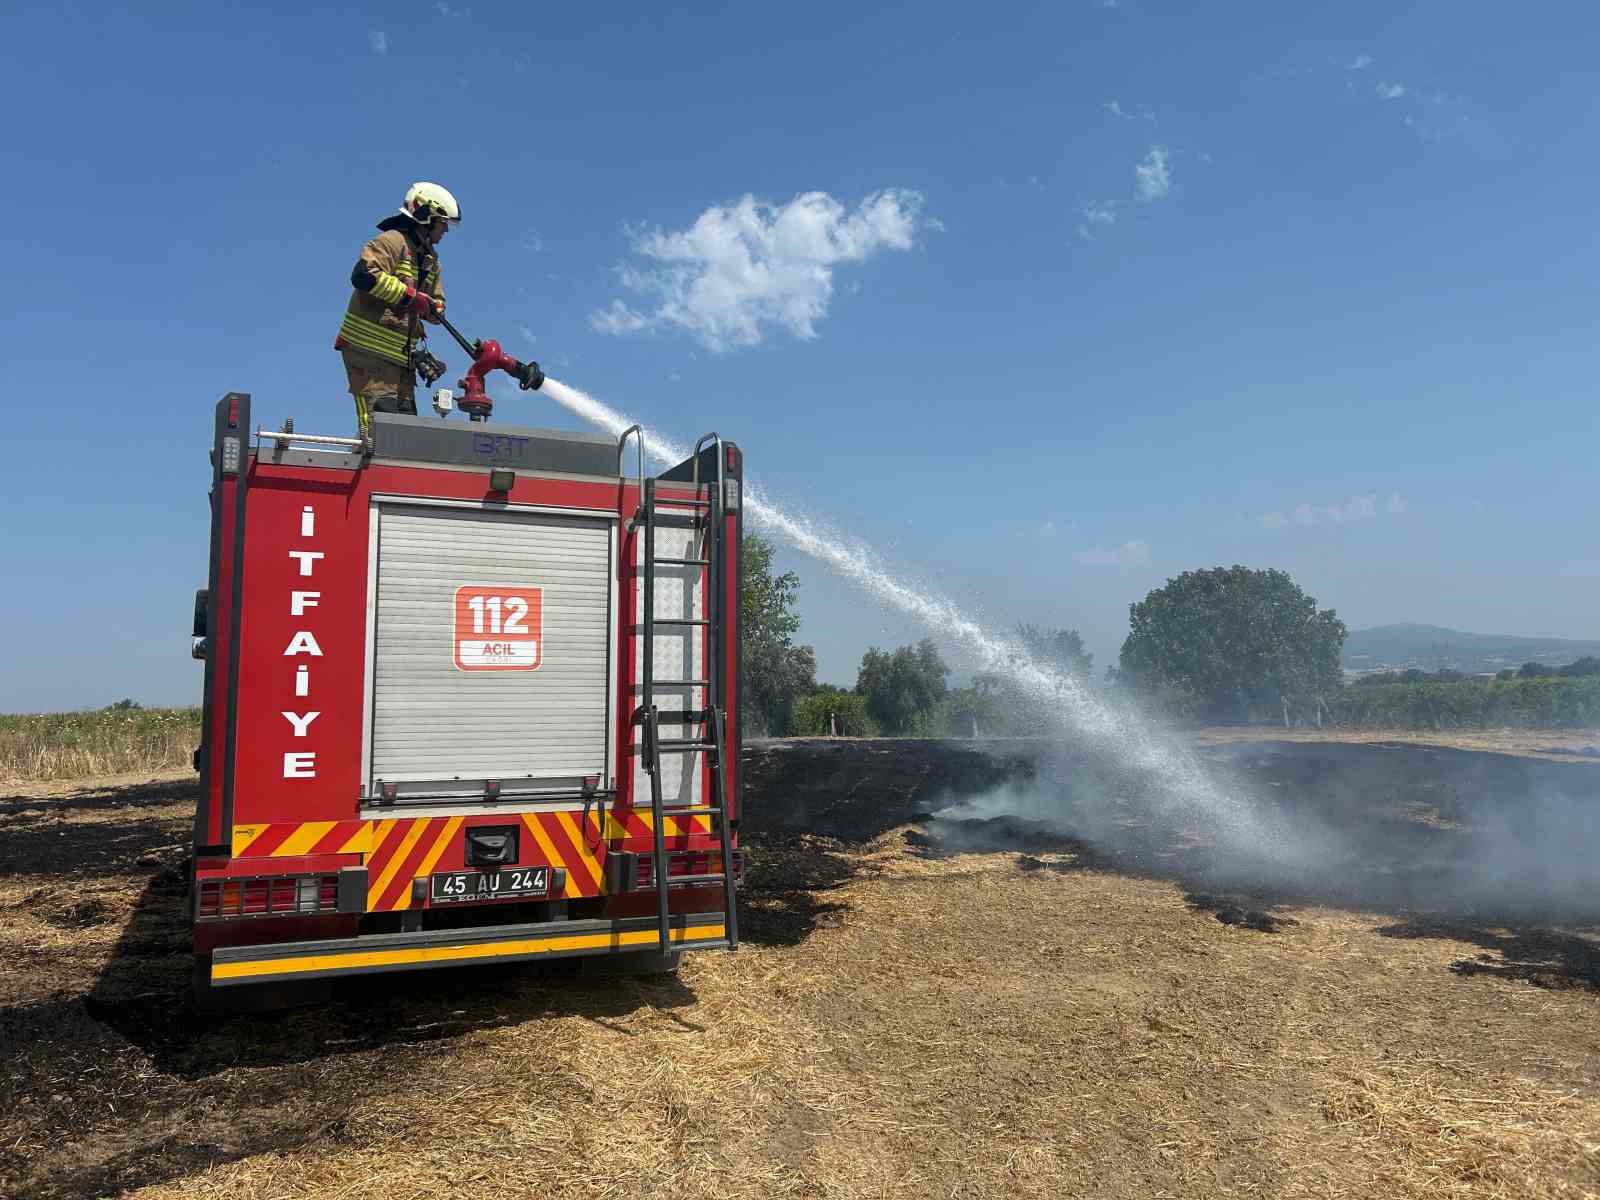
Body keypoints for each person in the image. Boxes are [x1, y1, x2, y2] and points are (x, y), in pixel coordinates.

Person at [335, 182, 458, 439]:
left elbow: (436, 305)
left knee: (406, 436)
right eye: (443, 221)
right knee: (380, 433)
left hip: (401, 363)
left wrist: (432, 308)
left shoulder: (430, 261)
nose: (446, 229)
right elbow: (363, 276)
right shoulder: (391, 242)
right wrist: (411, 298)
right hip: (368, 354)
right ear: (426, 216)